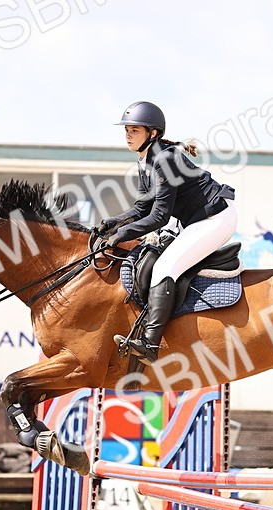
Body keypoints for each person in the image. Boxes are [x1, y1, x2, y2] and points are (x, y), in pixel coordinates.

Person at [92, 101, 237, 363]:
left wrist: (121, 235)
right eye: (127, 130)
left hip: (216, 219)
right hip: (198, 221)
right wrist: (111, 224)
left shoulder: (165, 160)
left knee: (164, 268)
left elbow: (159, 217)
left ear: (153, 133)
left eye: (134, 130)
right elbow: (141, 208)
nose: (128, 135)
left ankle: (150, 344)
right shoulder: (146, 160)